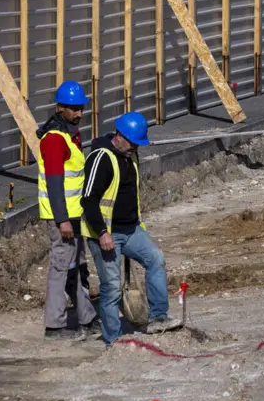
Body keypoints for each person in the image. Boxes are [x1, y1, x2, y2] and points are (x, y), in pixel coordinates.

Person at [82, 112, 180, 347]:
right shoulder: (101, 158)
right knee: (112, 286)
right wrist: (102, 233)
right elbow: (88, 200)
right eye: (132, 143)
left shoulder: (130, 155)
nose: (135, 148)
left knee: (156, 259)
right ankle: (113, 339)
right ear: (119, 136)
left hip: (131, 229)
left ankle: (158, 318)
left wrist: (138, 223)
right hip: (106, 233)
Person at [38, 80, 100, 340]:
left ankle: (87, 317)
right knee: (62, 268)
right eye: (74, 109)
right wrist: (62, 219)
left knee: (77, 266)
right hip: (62, 218)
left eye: (81, 108)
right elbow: (54, 183)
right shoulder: (55, 139)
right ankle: (55, 326)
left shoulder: (69, 134)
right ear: (60, 108)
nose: (79, 113)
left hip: (74, 216)